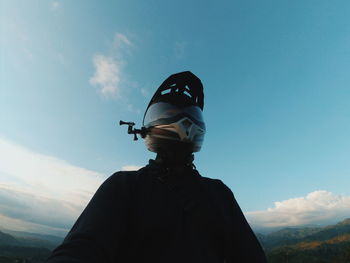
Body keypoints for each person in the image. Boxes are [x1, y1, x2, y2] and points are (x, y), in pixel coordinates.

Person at [45, 71, 267, 262]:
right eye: (171, 115)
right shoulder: (123, 187)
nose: (183, 123)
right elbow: (81, 249)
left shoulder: (220, 193)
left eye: (189, 116)